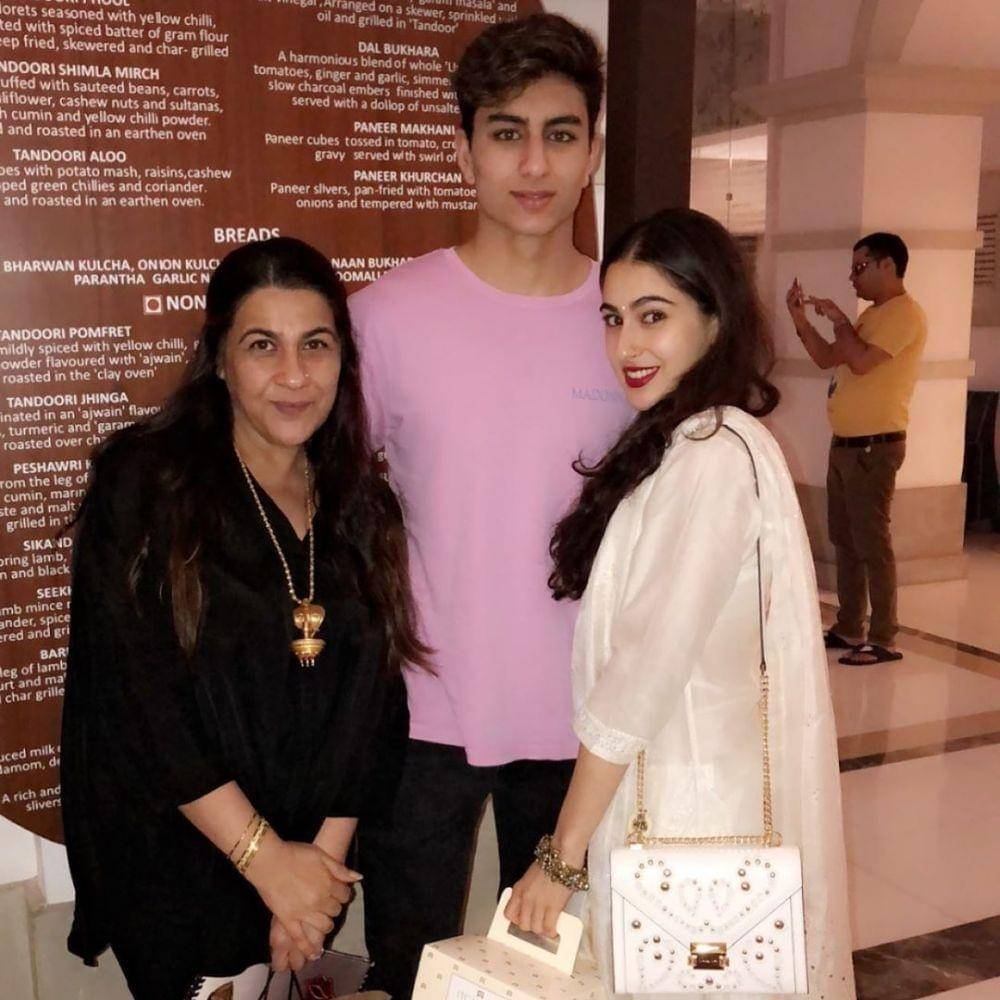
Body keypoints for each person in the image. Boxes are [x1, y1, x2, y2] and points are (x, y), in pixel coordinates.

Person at [61, 237, 425, 1000]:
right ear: (221, 359)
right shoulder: (147, 483)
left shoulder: (363, 505)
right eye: (263, 346)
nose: (294, 375)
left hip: (308, 864)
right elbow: (139, 700)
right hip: (181, 860)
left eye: (315, 345)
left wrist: (316, 879)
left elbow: (374, 707)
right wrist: (266, 863)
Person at [505, 208, 856, 999]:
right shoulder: (688, 440)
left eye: (653, 316)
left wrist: (560, 857)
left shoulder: (710, 456)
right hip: (674, 788)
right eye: (613, 318)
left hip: (688, 813)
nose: (626, 345)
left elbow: (643, 672)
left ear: (714, 319)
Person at [348, 13, 629, 999]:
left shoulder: (632, 323)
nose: (534, 163)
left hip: (588, 719)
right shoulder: (383, 318)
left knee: (562, 979)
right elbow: (321, 502)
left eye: (560, 133)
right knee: (409, 967)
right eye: (506, 133)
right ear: (464, 150)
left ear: (593, 151)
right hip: (424, 710)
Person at [786, 232, 927, 665]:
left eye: (860, 268)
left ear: (888, 265)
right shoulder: (872, 316)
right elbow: (828, 358)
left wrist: (840, 321)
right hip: (846, 445)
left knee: (871, 542)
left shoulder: (905, 314)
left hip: (874, 447)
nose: (852, 277)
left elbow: (862, 362)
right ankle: (849, 626)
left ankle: (883, 637)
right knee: (845, 541)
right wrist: (800, 319)